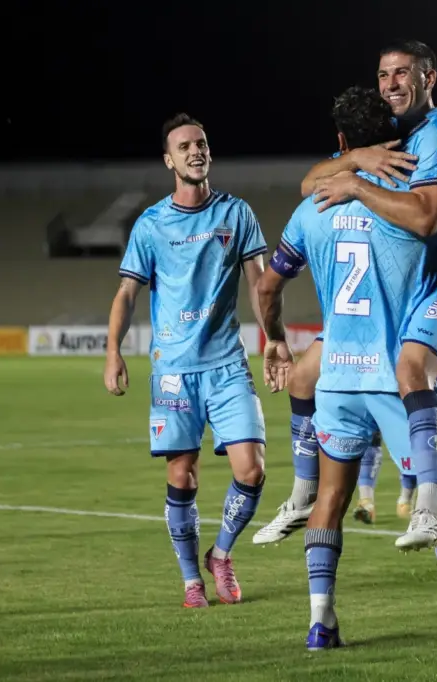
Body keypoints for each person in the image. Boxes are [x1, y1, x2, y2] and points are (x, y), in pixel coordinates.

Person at [256, 85, 437, 655]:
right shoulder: (410, 199)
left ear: (344, 143)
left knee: (331, 498)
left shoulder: (312, 207)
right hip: (394, 375)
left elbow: (269, 283)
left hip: (337, 379)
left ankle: (321, 624)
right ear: (395, 140)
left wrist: (276, 340)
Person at [104, 113, 269, 609]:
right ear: (168, 160)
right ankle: (190, 581)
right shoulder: (151, 225)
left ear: (208, 153)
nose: (195, 151)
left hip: (227, 366)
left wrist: (274, 339)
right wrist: (113, 351)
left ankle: (220, 555)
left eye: (201, 144)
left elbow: (261, 284)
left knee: (252, 469)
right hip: (174, 371)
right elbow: (127, 293)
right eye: (184, 147)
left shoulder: (237, 214)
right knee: (182, 475)